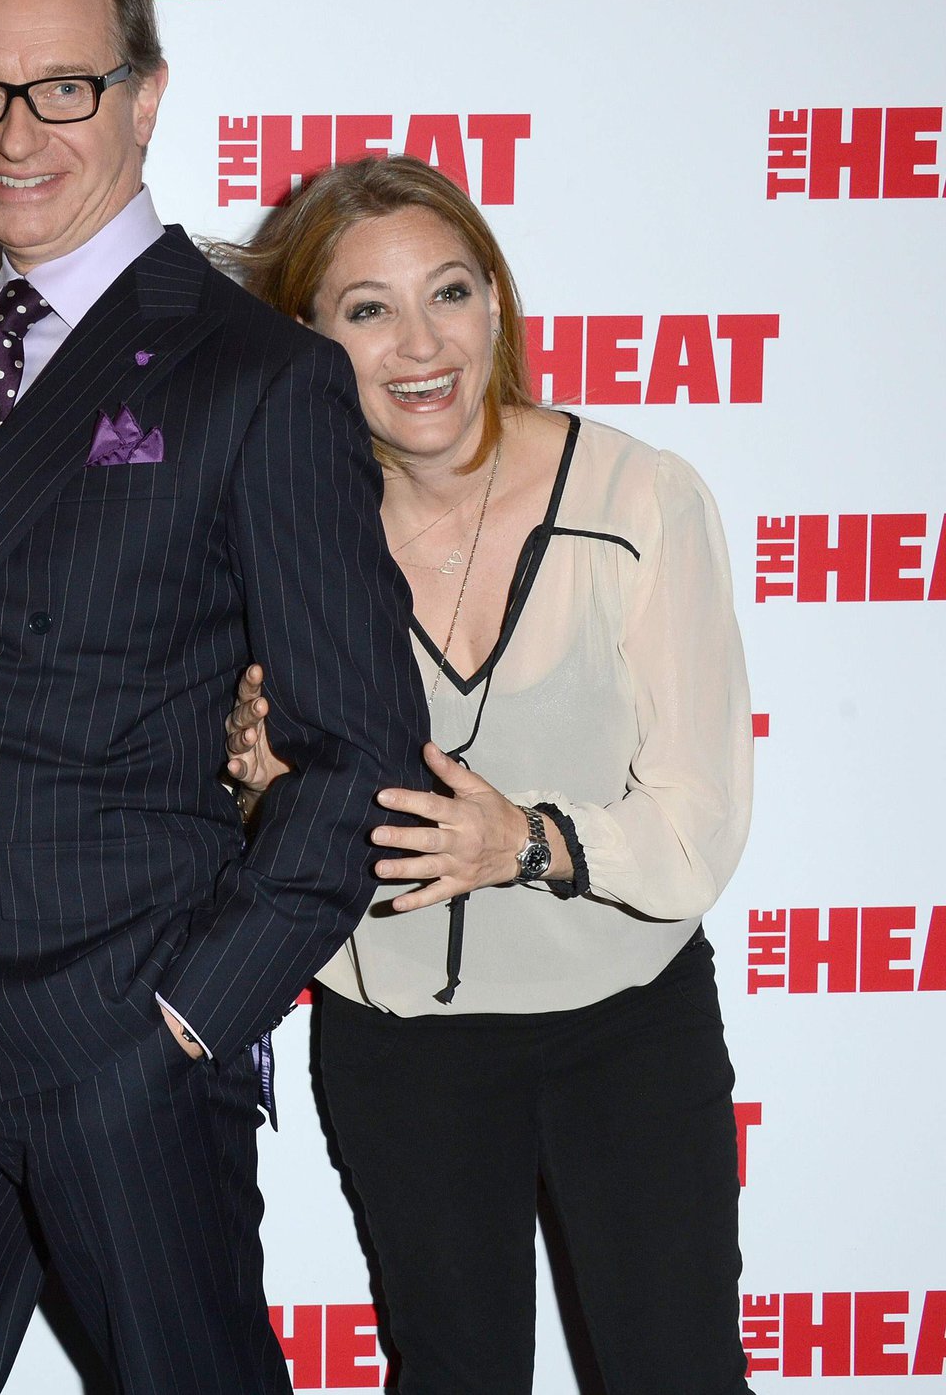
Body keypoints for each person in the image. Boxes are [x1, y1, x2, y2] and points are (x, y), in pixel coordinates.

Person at [0, 0, 428, 1395]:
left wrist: (193, 1012)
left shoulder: (254, 374)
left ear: (146, 99)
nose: (17, 134)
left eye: (64, 88)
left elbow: (363, 750)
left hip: (114, 1037)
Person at [218, 153, 753, 1394]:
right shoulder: (286, 526)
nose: (422, 343)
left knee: (675, 1370)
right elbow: (266, 811)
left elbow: (697, 826)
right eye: (367, 309)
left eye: (450, 292)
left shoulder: (642, 497)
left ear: (498, 305)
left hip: (628, 1026)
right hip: (399, 1040)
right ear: (309, 339)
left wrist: (527, 840)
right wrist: (252, 784)